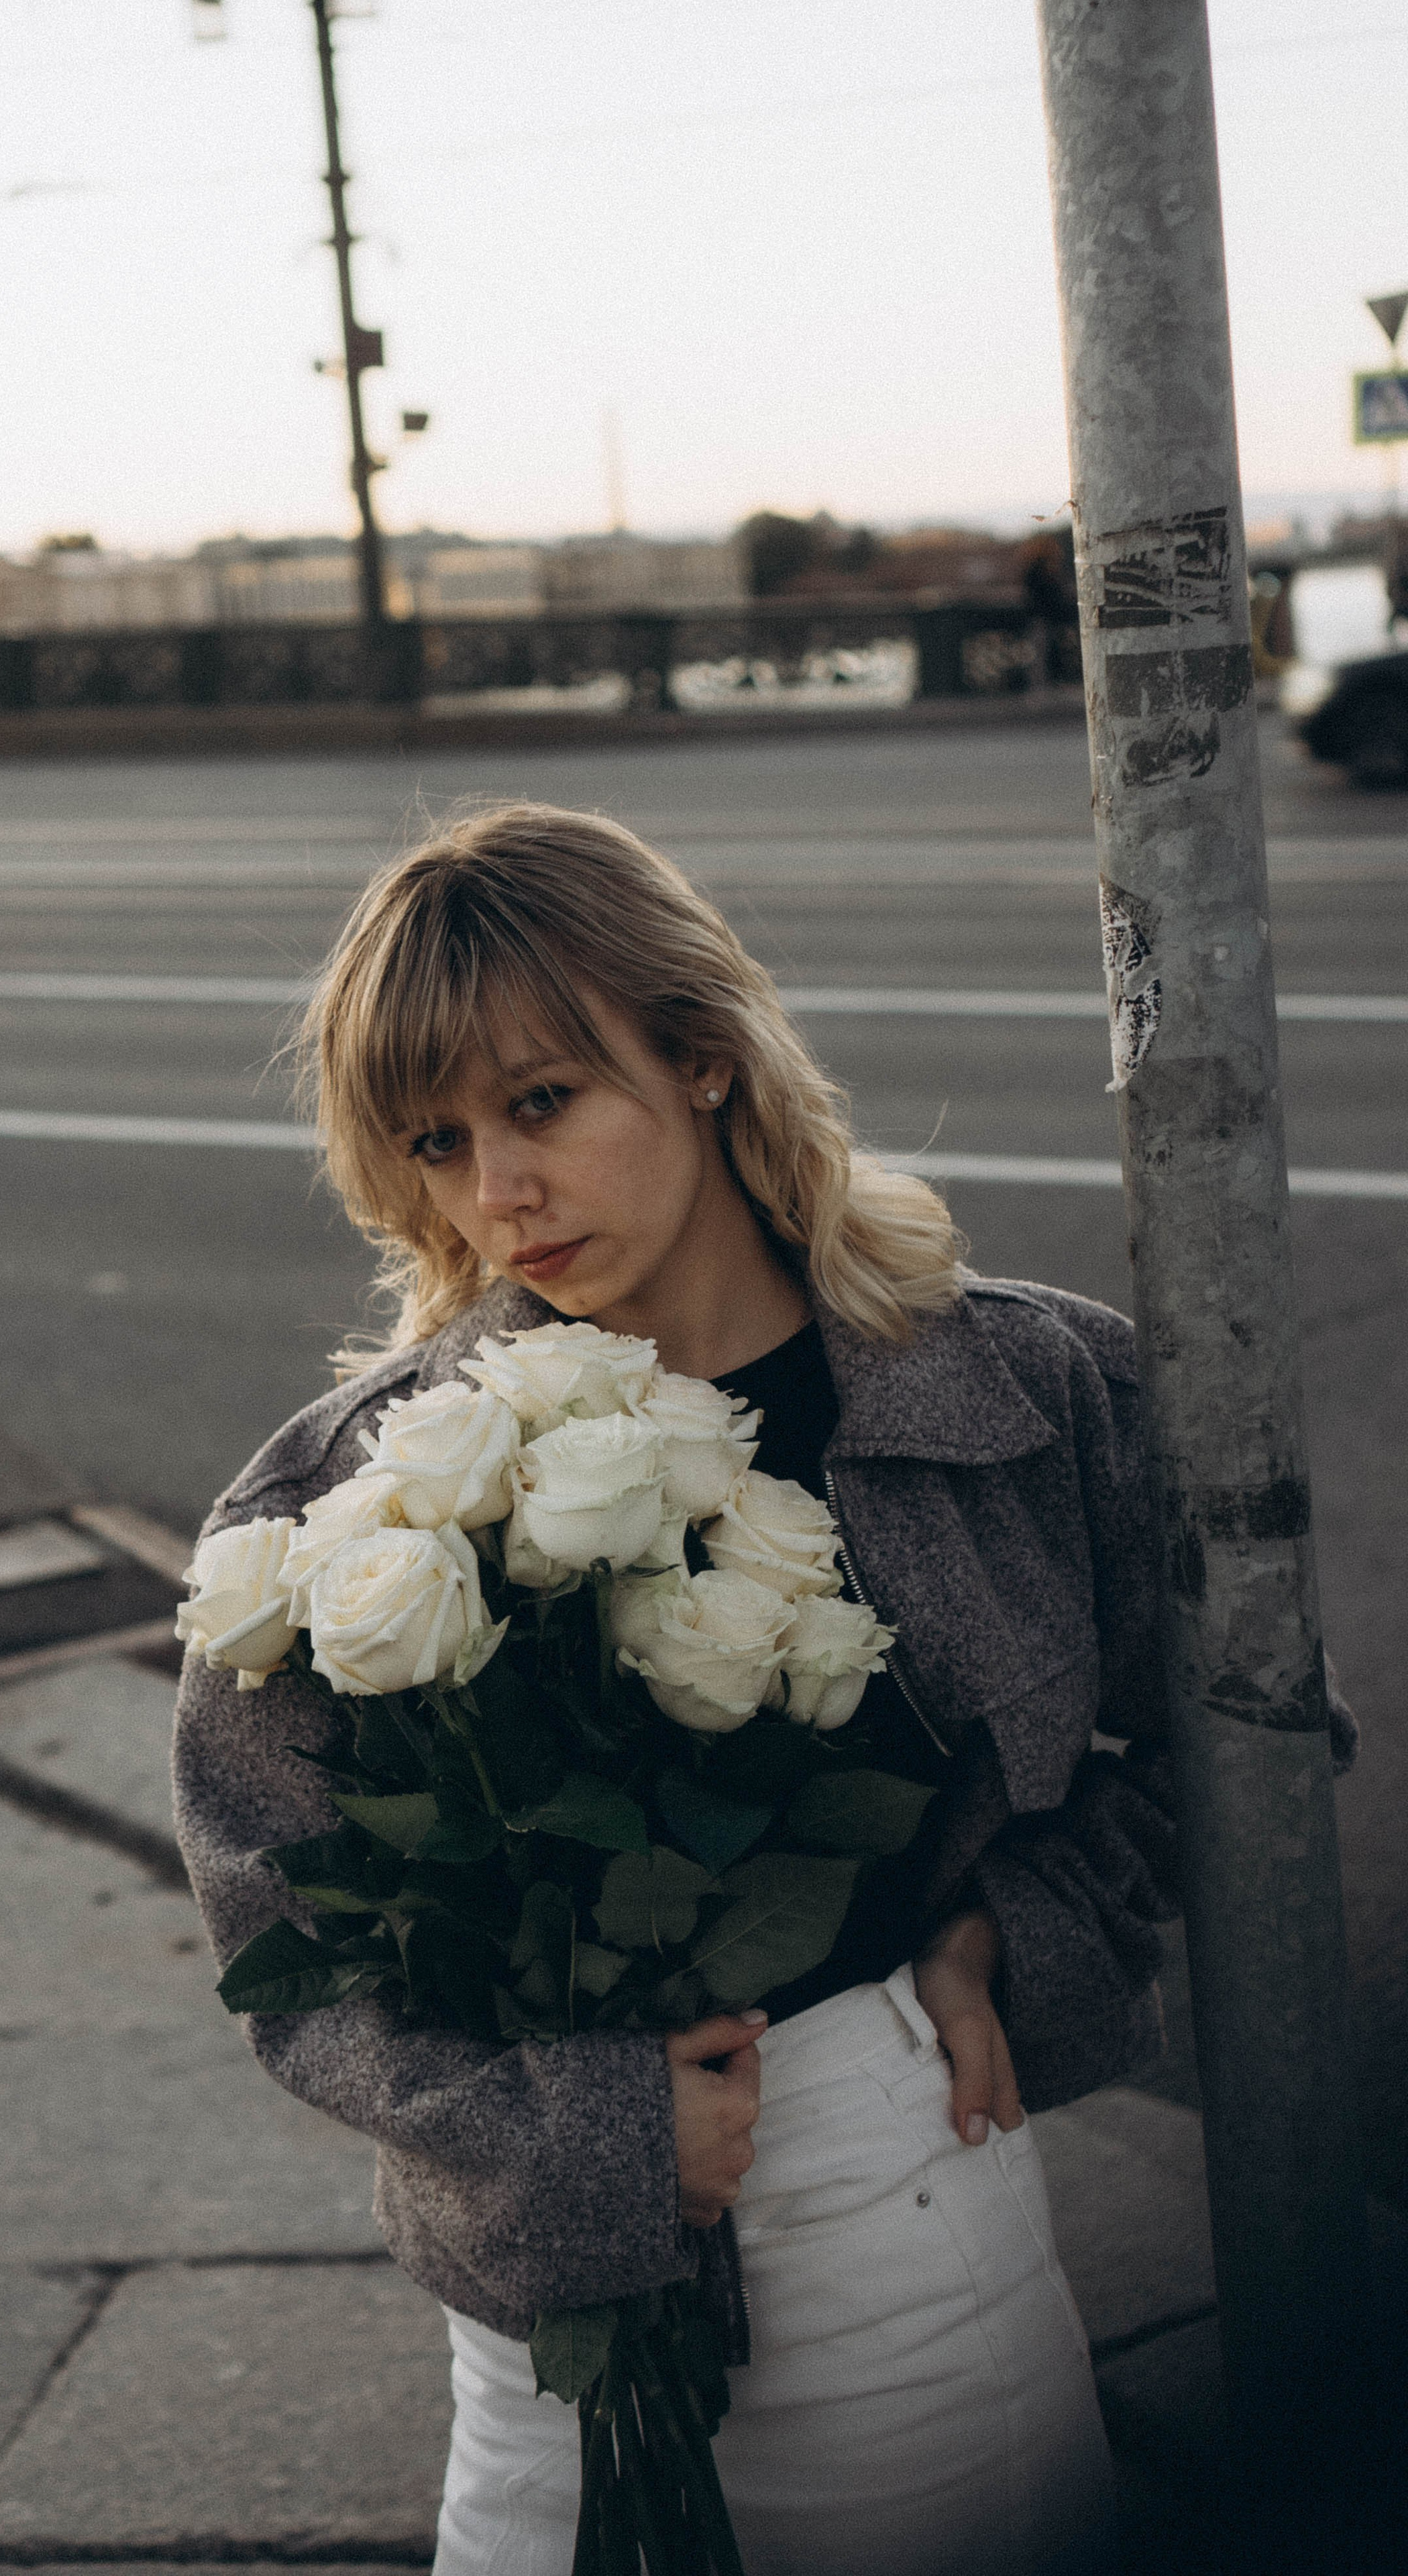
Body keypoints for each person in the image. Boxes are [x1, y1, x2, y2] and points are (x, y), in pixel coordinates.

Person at [172, 804, 1346, 2575]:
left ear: (706, 1061)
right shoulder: (354, 1498)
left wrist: (1015, 1932)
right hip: (546, 2321)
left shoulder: (1021, 1394)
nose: (496, 1191)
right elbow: (287, 1941)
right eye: (435, 1137)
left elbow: (1251, 1735)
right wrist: (573, 2136)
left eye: (542, 1101)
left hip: (908, 2241)